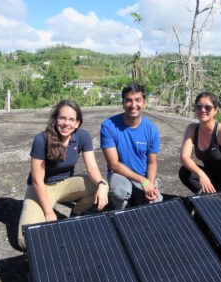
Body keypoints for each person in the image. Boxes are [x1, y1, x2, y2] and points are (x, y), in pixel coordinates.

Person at [17, 100, 108, 249]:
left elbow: (92, 167)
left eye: (71, 119)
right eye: (62, 118)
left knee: (100, 186)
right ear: (55, 119)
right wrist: (49, 213)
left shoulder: (82, 136)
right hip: (41, 188)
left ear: (77, 123)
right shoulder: (41, 140)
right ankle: (45, 209)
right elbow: (37, 180)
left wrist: (102, 184)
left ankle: (77, 212)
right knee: (25, 240)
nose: (66, 123)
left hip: (65, 184)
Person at [100, 83, 163, 209]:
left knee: (156, 201)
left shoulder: (151, 130)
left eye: (138, 100)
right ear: (123, 103)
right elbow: (113, 164)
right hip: (119, 174)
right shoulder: (108, 126)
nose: (133, 105)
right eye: (128, 100)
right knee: (121, 192)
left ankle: (138, 197)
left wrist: (149, 183)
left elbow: (152, 163)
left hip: (143, 175)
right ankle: (122, 213)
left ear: (144, 103)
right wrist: (142, 181)